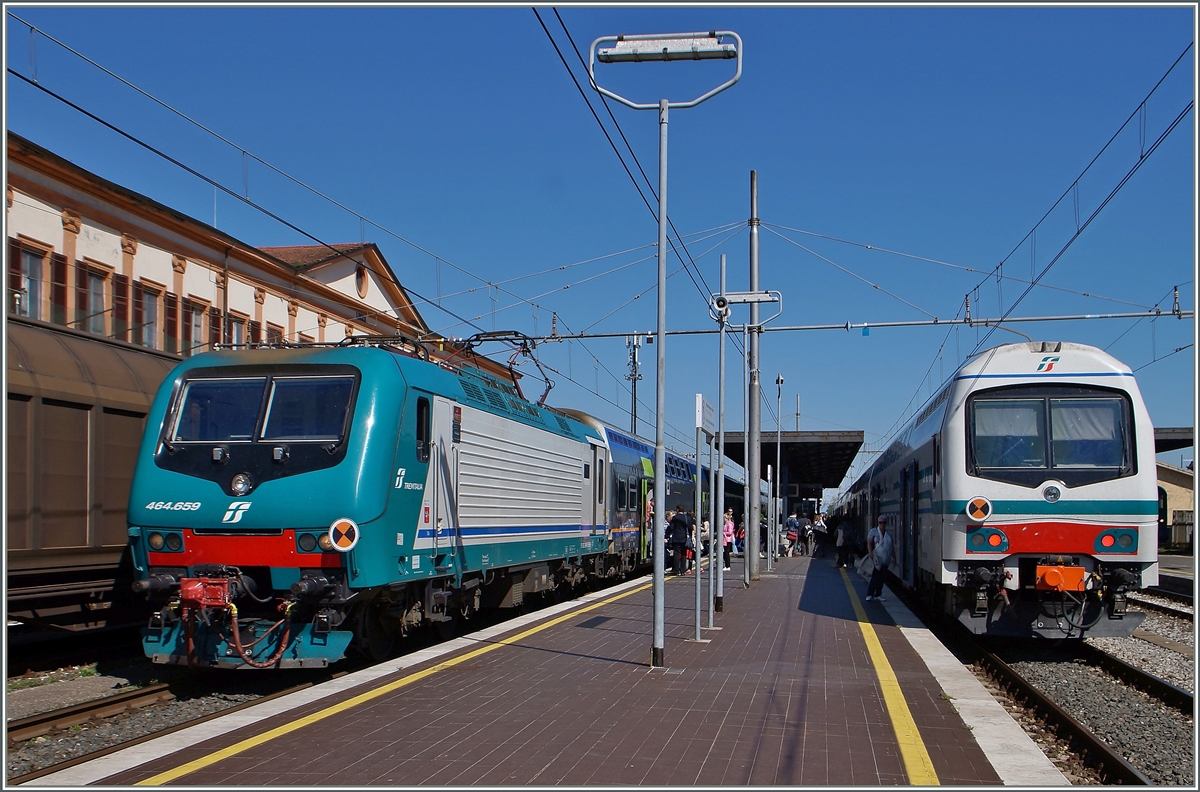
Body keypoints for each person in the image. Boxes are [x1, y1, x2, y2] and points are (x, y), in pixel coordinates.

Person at [865, 517, 893, 601]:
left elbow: (891, 546)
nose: (882, 524)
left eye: (884, 523)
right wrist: (870, 553)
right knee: (875, 576)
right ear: (878, 523)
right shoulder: (873, 531)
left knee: (882, 577)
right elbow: (869, 542)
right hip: (877, 558)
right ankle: (870, 594)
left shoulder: (888, 533)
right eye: (880, 522)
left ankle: (878, 594)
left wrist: (894, 557)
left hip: (885, 558)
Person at [668, 506, 692, 576]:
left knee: (676, 554)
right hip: (684, 538)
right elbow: (690, 528)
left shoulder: (675, 518)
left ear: (677, 510)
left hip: (677, 538)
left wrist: (667, 535)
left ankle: (676, 570)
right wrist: (690, 536)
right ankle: (682, 570)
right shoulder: (687, 517)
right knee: (684, 554)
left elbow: (671, 527)